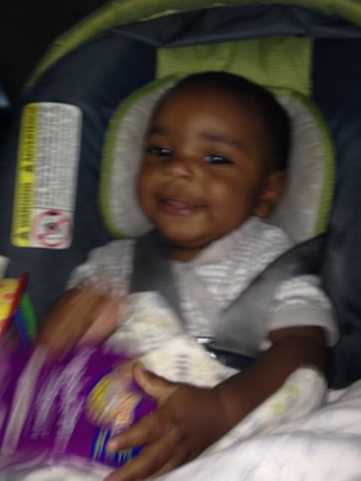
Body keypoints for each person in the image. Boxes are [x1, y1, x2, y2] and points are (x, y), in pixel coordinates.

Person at [39, 71, 338, 481]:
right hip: (116, 432)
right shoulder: (112, 262)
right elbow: (52, 357)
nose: (178, 167)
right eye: (160, 151)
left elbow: (305, 349)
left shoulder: (271, 259)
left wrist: (223, 409)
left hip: (239, 427)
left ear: (267, 192)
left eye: (216, 158)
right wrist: (65, 327)